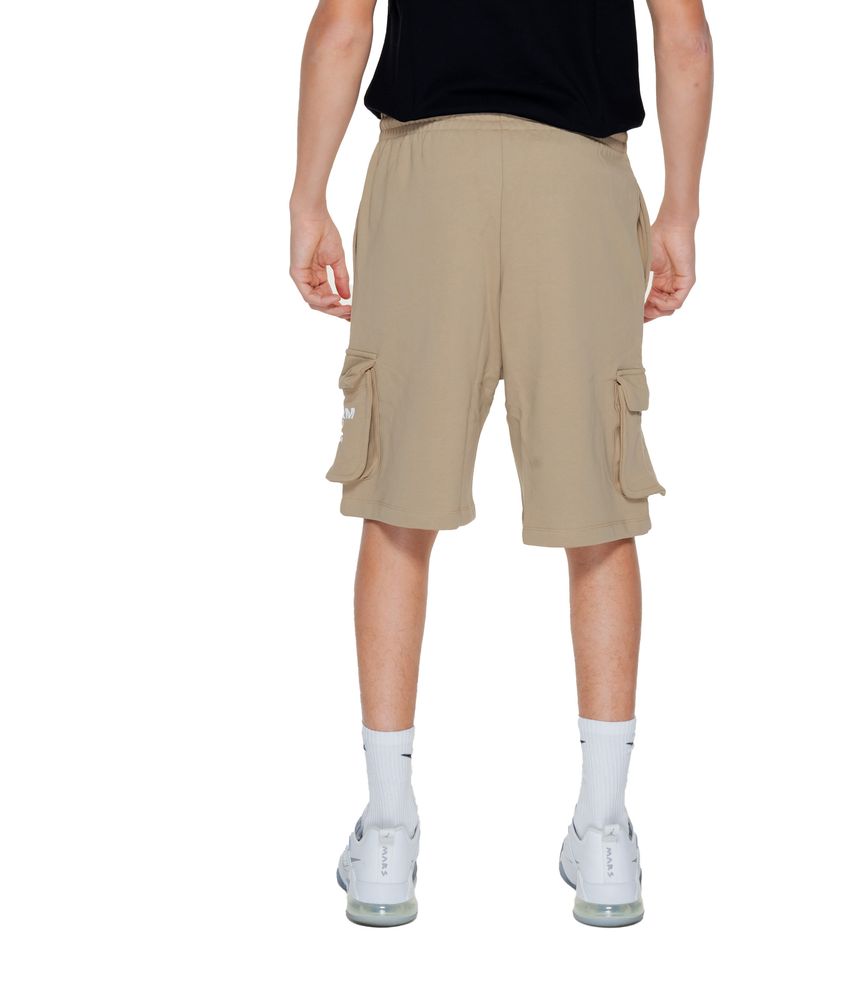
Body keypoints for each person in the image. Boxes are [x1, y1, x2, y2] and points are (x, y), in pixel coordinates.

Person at [289, 0, 713, 927]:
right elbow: (681, 33)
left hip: (428, 174)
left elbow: (342, 27)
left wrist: (307, 195)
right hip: (578, 178)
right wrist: (680, 207)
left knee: (399, 504)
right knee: (598, 508)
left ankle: (388, 835)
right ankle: (605, 834)